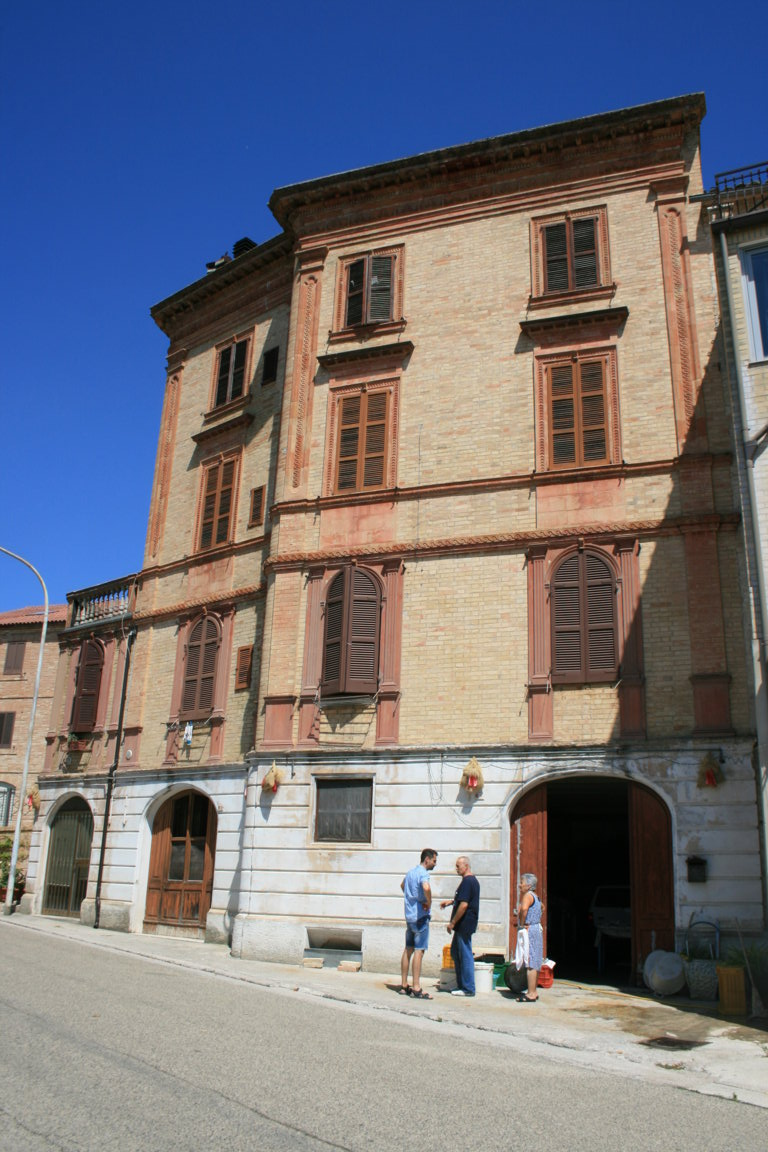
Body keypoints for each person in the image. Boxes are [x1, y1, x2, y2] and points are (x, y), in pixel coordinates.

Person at [399, 848, 438, 998]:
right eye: (434, 861)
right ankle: (416, 987)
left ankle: (403, 985)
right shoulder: (423, 873)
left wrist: (411, 898)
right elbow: (426, 887)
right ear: (426, 859)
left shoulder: (410, 873)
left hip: (409, 916)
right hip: (420, 917)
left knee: (408, 949)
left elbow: (402, 885)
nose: (435, 864)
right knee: (419, 951)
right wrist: (428, 901)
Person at [441, 856, 480, 997]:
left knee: (465, 954)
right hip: (463, 924)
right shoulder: (468, 882)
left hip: (464, 923)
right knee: (455, 953)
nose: (456, 869)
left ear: (466, 865)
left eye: (458, 866)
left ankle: (468, 988)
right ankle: (462, 984)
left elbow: (464, 905)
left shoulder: (468, 882)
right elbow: (462, 899)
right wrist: (451, 902)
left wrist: (452, 923)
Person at [516, 872, 543, 1002]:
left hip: (531, 929)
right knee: (536, 960)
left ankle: (530, 993)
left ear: (528, 885)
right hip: (537, 928)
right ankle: (534, 991)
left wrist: (523, 923)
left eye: (522, 883)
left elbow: (524, 909)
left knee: (531, 961)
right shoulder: (536, 897)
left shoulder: (527, 896)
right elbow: (542, 907)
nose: (519, 885)